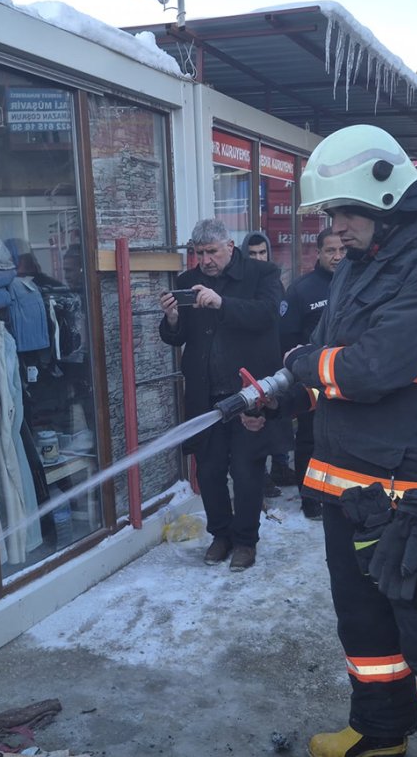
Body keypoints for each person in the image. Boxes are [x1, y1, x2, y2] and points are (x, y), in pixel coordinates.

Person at [278, 125, 417, 757]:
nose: (335, 227)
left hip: (410, 493)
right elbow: (333, 360)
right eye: (330, 214)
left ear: (388, 198)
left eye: (345, 212)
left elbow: (371, 368)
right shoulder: (357, 264)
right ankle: (378, 734)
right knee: (365, 624)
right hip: (346, 483)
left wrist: (300, 367)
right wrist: (285, 394)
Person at [159, 219, 283, 572]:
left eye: (212, 252)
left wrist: (222, 303)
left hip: (248, 395)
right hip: (206, 394)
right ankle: (220, 535)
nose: (206, 260)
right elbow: (177, 337)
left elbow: (268, 314)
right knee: (210, 471)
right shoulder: (187, 280)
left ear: (230, 246)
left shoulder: (262, 273)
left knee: (246, 472)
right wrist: (172, 318)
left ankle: (245, 541)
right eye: (199, 253)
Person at [279, 227, 346, 518]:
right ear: (318, 253)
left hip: (348, 376)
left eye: (342, 250)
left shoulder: (358, 283)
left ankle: (342, 493)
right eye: (330, 251)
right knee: (309, 438)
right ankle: (310, 497)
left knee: (344, 437)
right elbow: (286, 337)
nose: (337, 256)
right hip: (313, 379)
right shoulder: (301, 290)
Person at [243, 231, 299, 493]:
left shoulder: (274, 281)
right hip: (251, 359)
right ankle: (261, 473)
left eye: (262, 252)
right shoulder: (243, 284)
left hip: (276, 356)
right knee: (256, 416)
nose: (258, 258)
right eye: (252, 254)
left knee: (279, 414)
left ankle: (280, 465)